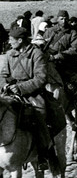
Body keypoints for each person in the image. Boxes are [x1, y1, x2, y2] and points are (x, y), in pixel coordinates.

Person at [0, 27, 61, 173]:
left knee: (40, 115)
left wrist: (21, 88)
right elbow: (4, 74)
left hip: (33, 94)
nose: (9, 42)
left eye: (11, 40)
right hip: (11, 92)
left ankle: (43, 155)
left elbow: (41, 78)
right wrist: (7, 84)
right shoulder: (10, 54)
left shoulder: (37, 54)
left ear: (20, 40)